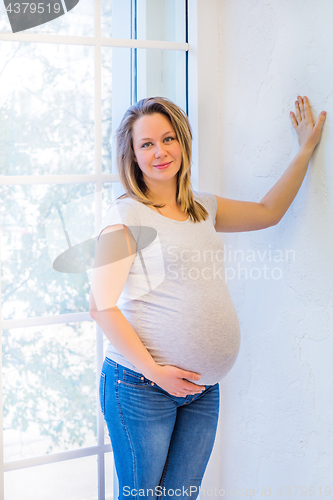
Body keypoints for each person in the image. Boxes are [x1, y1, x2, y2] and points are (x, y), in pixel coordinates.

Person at [89, 96, 326, 498]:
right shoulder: (126, 217)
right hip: (141, 386)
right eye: (146, 144)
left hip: (201, 389)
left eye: (168, 139)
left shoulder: (202, 207)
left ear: (182, 141)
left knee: (182, 496)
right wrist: (155, 371)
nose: (160, 151)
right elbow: (101, 306)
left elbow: (269, 211)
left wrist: (305, 150)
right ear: (131, 155)